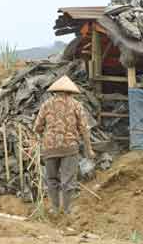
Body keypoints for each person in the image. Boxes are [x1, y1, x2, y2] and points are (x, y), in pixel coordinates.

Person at [33, 75, 95, 215]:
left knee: (51, 179)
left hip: (50, 148)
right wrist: (89, 149)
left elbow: (37, 127)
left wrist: (48, 134)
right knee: (68, 180)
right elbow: (84, 129)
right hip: (69, 148)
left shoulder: (46, 105)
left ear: (55, 91)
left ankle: (54, 209)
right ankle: (67, 210)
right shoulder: (76, 105)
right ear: (70, 91)